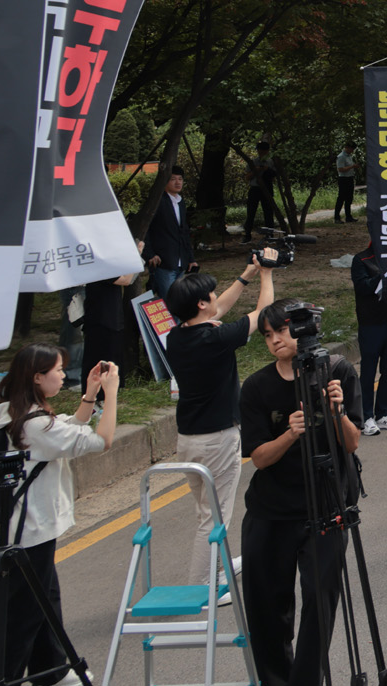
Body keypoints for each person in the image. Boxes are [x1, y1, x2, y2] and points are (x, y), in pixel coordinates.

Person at [0, 345, 117, 684]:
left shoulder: (2, 413)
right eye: (57, 369)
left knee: (45, 596)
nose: (61, 374)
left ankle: (51, 669)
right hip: (31, 529)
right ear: (37, 377)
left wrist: (89, 395)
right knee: (22, 613)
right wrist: (110, 395)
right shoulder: (36, 425)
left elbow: (63, 431)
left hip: (11, 526)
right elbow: (100, 441)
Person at [239, 302, 364, 686]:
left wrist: (336, 411)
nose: (275, 340)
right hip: (271, 510)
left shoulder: (337, 371)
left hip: (327, 505)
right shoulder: (256, 386)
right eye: (267, 334)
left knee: (321, 602)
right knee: (266, 608)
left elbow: (353, 442)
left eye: (282, 331)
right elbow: (258, 458)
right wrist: (289, 434)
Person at [165, 248, 277, 586]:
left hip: (188, 439)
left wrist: (247, 275)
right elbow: (262, 314)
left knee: (205, 511)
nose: (216, 298)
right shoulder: (215, 338)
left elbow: (221, 307)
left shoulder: (178, 336)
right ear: (201, 304)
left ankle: (217, 563)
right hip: (218, 439)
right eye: (210, 295)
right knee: (214, 518)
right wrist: (268, 273)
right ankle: (205, 586)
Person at [350, 241, 387, 436]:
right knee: (368, 372)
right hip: (371, 325)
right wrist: (382, 276)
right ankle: (365, 416)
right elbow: (361, 287)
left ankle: (383, 413)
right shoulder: (361, 259)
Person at [143, 167, 196, 299]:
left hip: (180, 260)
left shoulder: (180, 202)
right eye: (173, 179)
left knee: (179, 300)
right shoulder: (157, 202)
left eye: (180, 179)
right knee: (169, 301)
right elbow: (146, 229)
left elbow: (184, 232)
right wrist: (150, 254)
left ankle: (178, 321)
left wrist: (190, 258)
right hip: (164, 260)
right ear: (165, 181)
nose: (177, 182)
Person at [246, 143, 282, 237]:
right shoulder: (253, 162)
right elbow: (247, 177)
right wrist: (256, 170)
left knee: (268, 212)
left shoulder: (270, 162)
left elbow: (274, 176)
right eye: (260, 150)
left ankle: (270, 234)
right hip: (255, 189)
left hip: (267, 188)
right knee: (251, 212)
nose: (261, 153)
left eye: (264, 151)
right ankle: (247, 234)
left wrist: (267, 170)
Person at [334, 145, 357, 224]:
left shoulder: (349, 156)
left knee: (349, 198)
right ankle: (337, 217)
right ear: (347, 148)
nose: (352, 151)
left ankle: (348, 216)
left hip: (350, 178)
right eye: (351, 149)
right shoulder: (341, 157)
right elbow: (340, 169)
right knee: (341, 198)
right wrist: (352, 166)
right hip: (343, 179)